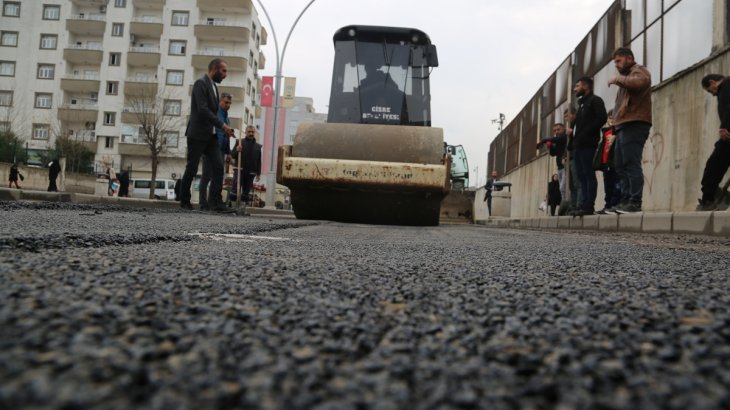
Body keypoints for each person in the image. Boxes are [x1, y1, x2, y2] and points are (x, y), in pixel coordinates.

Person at [179, 58, 235, 211]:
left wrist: (224, 128)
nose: (225, 74)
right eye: (223, 71)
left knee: (218, 166)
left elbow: (213, 113)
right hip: (197, 134)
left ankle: (215, 202)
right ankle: (184, 201)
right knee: (192, 168)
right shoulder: (200, 84)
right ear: (214, 69)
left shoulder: (214, 88)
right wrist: (222, 125)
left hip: (211, 137)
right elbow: (203, 110)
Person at [608, 47, 652, 213]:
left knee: (631, 163)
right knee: (620, 165)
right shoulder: (626, 77)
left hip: (635, 123)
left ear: (629, 58)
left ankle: (635, 202)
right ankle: (625, 201)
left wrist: (617, 79)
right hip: (623, 126)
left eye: (618, 61)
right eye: (615, 63)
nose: (616, 65)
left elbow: (639, 83)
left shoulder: (639, 71)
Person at [572, 76, 607, 216]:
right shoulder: (581, 105)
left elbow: (602, 118)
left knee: (588, 175)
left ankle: (588, 206)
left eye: (577, 86)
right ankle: (582, 204)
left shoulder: (595, 101)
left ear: (585, 86)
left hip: (588, 145)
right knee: (581, 176)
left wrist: (587, 132)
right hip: (578, 146)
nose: (575, 89)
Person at [698, 74, 730, 211]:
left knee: (714, 164)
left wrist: (725, 126)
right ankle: (710, 197)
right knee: (714, 165)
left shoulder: (727, 85)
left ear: (712, 83)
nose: (711, 94)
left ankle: (709, 197)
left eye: (709, 90)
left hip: (728, 134)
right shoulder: (723, 90)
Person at [198, 92, 233, 211]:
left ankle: (213, 201)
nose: (228, 105)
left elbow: (226, 136)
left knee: (217, 176)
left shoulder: (227, 117)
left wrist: (228, 152)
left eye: (229, 103)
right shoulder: (215, 113)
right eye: (226, 102)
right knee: (206, 176)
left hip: (221, 150)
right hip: (211, 148)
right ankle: (203, 203)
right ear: (220, 101)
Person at [595, 111, 621, 214]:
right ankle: (608, 205)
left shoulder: (619, 131)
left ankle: (615, 205)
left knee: (616, 185)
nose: (611, 120)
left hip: (615, 162)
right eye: (610, 118)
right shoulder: (605, 132)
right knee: (608, 185)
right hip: (606, 163)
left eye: (613, 118)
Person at [230, 125, 262, 204]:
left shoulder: (258, 147)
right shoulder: (239, 142)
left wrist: (258, 174)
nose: (251, 133)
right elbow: (233, 155)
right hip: (239, 169)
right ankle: (232, 205)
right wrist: (237, 150)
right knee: (235, 187)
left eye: (252, 132)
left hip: (251, 171)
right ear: (246, 132)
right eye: (249, 132)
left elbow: (259, 161)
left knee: (246, 190)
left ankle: (242, 207)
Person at [538, 123, 568, 198]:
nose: (556, 132)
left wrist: (543, 140)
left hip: (565, 166)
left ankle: (568, 205)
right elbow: (553, 153)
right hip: (560, 167)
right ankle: (565, 205)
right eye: (555, 131)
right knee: (562, 190)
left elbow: (554, 139)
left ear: (563, 129)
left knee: (563, 188)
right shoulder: (557, 140)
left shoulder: (564, 137)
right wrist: (550, 146)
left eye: (558, 129)